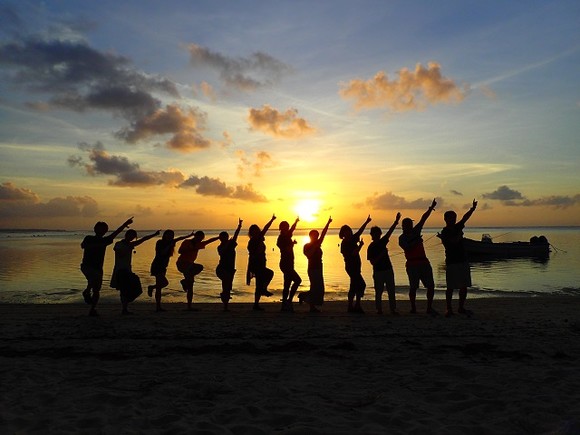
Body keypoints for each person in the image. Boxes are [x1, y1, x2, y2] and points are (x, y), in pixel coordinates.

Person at [80, 217, 133, 316]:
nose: (101, 231)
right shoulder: (89, 238)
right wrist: (96, 245)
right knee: (93, 279)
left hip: (98, 268)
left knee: (96, 289)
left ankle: (92, 309)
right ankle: (87, 291)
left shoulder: (106, 240)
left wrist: (125, 224)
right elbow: (83, 245)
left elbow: (116, 232)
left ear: (105, 231)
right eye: (99, 229)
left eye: (104, 229)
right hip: (87, 266)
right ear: (95, 229)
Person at [438, 199, 478, 317]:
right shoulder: (445, 232)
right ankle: (448, 309)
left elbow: (465, 218)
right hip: (452, 262)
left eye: (454, 218)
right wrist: (459, 235)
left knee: (464, 286)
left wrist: (472, 208)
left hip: (463, 260)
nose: (453, 220)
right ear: (445, 219)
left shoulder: (457, 227)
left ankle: (461, 307)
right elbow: (453, 242)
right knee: (450, 287)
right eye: (451, 218)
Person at [398, 199, 437, 314]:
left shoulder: (416, 230)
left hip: (424, 262)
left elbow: (424, 218)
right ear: (403, 226)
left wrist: (431, 208)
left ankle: (429, 308)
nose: (410, 226)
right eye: (407, 225)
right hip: (412, 264)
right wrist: (417, 241)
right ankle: (413, 308)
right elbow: (407, 248)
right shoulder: (401, 238)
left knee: (430, 286)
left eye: (411, 224)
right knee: (413, 287)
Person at [111, 229, 160, 315]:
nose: (132, 237)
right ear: (126, 235)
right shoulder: (118, 244)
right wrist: (128, 247)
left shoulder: (130, 244)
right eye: (130, 235)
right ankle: (124, 309)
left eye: (133, 236)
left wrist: (154, 234)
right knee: (123, 290)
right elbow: (119, 253)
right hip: (120, 270)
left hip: (128, 270)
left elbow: (143, 239)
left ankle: (125, 305)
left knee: (135, 288)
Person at [147, 230, 195, 312]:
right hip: (157, 265)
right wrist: (169, 245)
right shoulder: (160, 242)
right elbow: (162, 253)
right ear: (165, 235)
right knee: (164, 283)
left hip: (163, 267)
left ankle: (158, 305)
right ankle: (153, 292)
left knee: (159, 286)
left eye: (171, 235)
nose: (170, 237)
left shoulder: (172, 241)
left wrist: (189, 235)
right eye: (168, 235)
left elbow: (180, 238)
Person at [176, 231, 220, 311]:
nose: (199, 239)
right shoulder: (187, 242)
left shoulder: (200, 244)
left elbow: (208, 241)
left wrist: (218, 237)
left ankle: (189, 306)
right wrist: (191, 248)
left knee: (191, 284)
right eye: (198, 237)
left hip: (190, 266)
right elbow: (180, 251)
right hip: (182, 263)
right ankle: (184, 281)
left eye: (201, 238)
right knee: (198, 269)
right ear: (195, 236)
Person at [367, 212, 401, 315]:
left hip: (388, 269)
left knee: (391, 290)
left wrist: (396, 222)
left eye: (378, 233)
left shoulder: (383, 241)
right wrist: (382, 255)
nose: (376, 235)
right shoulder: (371, 247)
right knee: (379, 291)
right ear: (372, 235)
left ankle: (393, 309)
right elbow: (372, 262)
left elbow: (390, 232)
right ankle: (379, 309)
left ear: (380, 234)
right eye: (374, 234)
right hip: (378, 272)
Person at [339, 215, 372, 313]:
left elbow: (360, 231)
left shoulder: (353, 238)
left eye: (349, 230)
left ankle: (354, 306)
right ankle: (355, 305)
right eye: (346, 231)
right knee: (361, 284)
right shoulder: (344, 243)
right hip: (350, 267)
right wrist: (360, 246)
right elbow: (353, 253)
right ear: (343, 233)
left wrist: (366, 222)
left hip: (356, 266)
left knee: (354, 285)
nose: (348, 232)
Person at [302, 216, 333, 313]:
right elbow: (308, 255)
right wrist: (314, 247)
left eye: (317, 235)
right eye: (314, 235)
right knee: (314, 287)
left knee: (319, 287)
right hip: (312, 268)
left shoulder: (318, 243)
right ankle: (309, 303)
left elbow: (323, 234)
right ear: (310, 236)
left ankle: (312, 304)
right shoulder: (307, 245)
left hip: (319, 267)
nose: (316, 237)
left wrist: (328, 223)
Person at [247, 214, 276, 311]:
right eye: (253, 231)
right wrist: (271, 220)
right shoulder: (254, 240)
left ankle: (256, 303)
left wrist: (272, 220)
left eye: (256, 230)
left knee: (259, 283)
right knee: (268, 274)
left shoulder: (258, 239)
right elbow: (265, 229)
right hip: (256, 264)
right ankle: (262, 291)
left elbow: (264, 229)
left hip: (260, 263)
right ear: (251, 232)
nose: (256, 232)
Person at [216, 219, 243, 312]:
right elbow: (222, 253)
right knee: (226, 286)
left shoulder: (231, 244)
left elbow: (235, 235)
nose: (224, 239)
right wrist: (227, 244)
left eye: (226, 237)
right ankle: (225, 305)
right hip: (222, 269)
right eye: (222, 237)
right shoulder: (220, 247)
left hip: (230, 269)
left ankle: (226, 305)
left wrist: (239, 226)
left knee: (228, 287)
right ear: (220, 238)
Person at [277, 217, 302, 312]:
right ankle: (288, 301)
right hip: (285, 264)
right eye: (284, 227)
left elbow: (292, 228)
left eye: (287, 227)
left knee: (287, 284)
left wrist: (296, 221)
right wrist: (292, 244)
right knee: (297, 280)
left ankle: (286, 303)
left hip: (290, 263)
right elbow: (285, 249)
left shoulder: (287, 235)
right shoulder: (280, 238)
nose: (286, 229)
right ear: (281, 228)